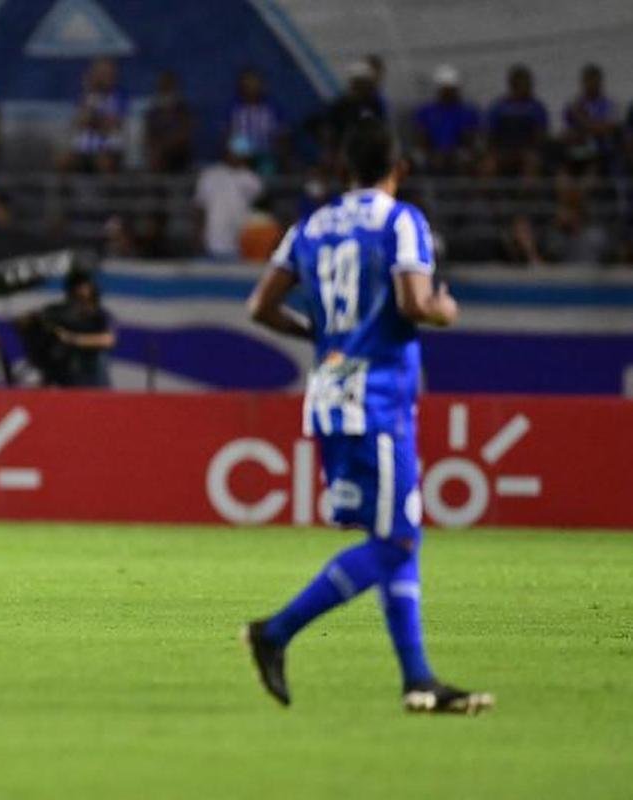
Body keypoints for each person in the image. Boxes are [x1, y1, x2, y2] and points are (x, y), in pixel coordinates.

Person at [241, 118, 494, 715]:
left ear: (343, 169)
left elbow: (260, 307)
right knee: (397, 540)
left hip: (330, 394)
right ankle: (275, 632)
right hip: (376, 399)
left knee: (399, 536)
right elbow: (413, 302)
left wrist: (324, 336)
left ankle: (418, 680)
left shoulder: (310, 226)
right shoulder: (401, 221)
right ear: (399, 168)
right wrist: (444, 309)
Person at [29, 269, 116, 387]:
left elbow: (108, 339)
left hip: (93, 376)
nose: (79, 291)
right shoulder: (57, 312)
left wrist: (73, 339)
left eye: (83, 287)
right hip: (65, 375)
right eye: (75, 287)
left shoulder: (101, 316)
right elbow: (33, 321)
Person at [194, 136, 263, 259]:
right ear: (226, 152)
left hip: (241, 240)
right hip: (213, 237)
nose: (236, 156)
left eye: (240, 154)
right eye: (234, 152)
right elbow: (199, 207)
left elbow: (259, 213)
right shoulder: (209, 175)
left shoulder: (253, 179)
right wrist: (198, 234)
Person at [412, 65, 479, 175]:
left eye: (451, 89)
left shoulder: (467, 111)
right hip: (432, 153)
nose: (448, 93)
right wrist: (432, 154)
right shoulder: (426, 111)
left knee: (466, 159)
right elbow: (421, 137)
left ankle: (463, 185)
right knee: (418, 159)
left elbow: (470, 140)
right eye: (445, 89)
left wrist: (451, 154)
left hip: (458, 154)